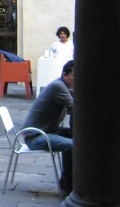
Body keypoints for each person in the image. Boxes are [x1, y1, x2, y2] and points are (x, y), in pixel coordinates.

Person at [21, 59, 74, 195]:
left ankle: (71, 182)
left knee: (77, 137)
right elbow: (74, 108)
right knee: (73, 145)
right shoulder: (58, 87)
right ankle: (68, 186)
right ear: (65, 75)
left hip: (48, 130)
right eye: (74, 76)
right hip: (35, 136)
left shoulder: (66, 86)